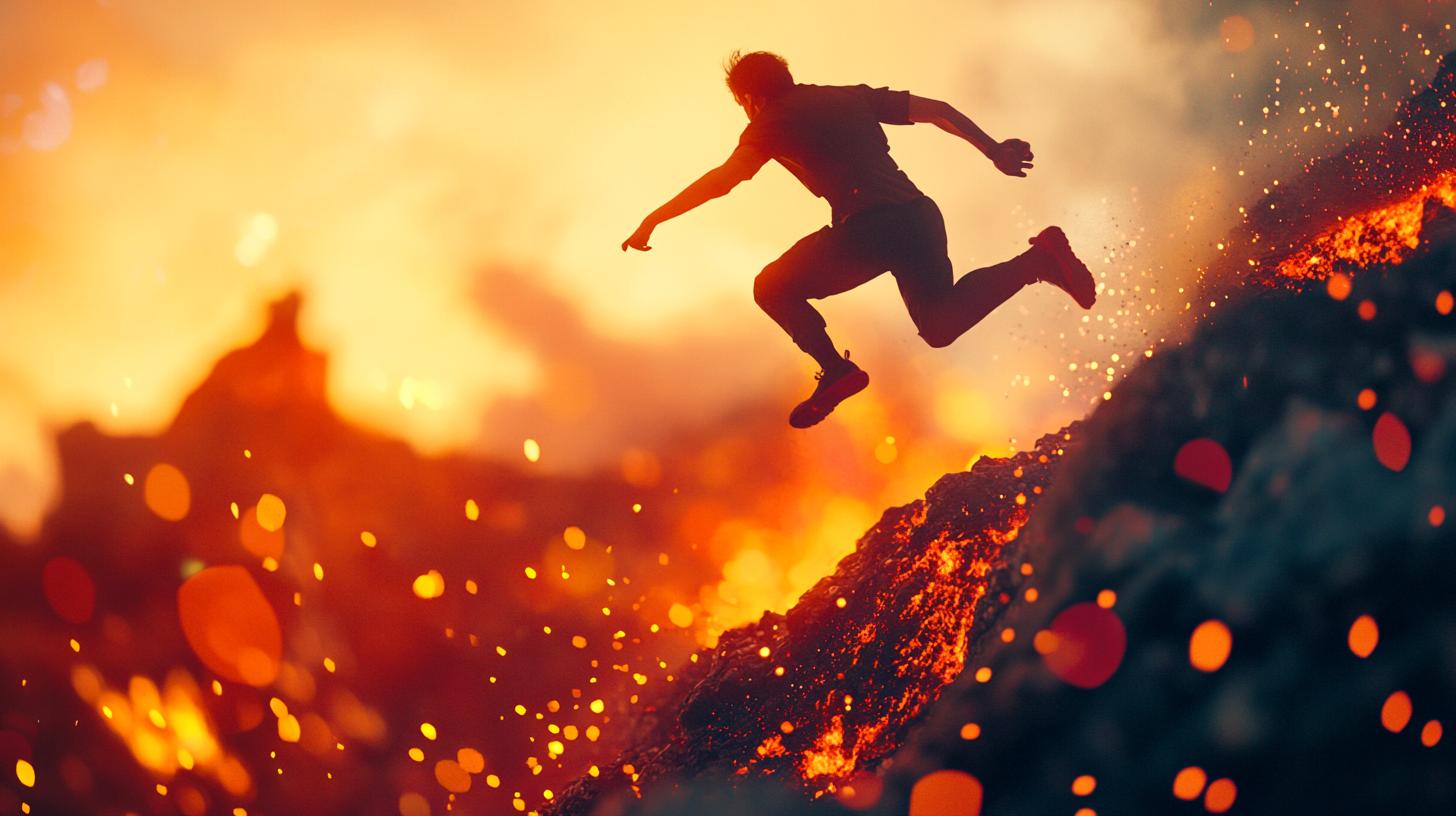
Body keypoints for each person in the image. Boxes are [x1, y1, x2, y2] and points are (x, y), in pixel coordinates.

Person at [622, 51, 1096, 428]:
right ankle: (1039, 261)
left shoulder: (769, 121)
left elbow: (727, 179)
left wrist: (655, 218)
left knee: (771, 286)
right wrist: (992, 149)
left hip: (870, 229)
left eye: (741, 103)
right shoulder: (851, 96)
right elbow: (937, 112)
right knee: (939, 324)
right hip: (919, 217)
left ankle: (836, 370)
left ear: (749, 97)